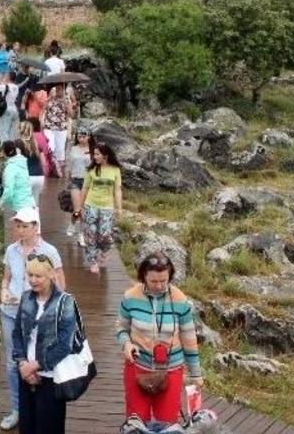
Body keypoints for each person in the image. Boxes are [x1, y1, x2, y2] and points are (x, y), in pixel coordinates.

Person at [117, 252, 202, 425]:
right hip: (138, 367)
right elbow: (121, 328)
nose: (159, 286)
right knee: (136, 422)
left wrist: (196, 374)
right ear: (143, 277)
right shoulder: (130, 297)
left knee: (168, 422)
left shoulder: (180, 300)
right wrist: (126, 344)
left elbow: (189, 339)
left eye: (164, 281)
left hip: (171, 371)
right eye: (154, 281)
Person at [0, 207, 65, 430]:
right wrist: (3, 291)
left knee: (39, 359)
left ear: (36, 227)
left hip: (39, 315)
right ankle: (18, 409)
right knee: (13, 362)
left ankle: (38, 407)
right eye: (17, 225)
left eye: (24, 226)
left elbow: (61, 286)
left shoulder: (50, 251)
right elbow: (6, 279)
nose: (19, 230)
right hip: (11, 312)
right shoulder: (11, 250)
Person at [12, 255, 76, 433]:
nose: (33, 280)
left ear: (51, 275)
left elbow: (65, 344)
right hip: (25, 374)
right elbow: (17, 334)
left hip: (51, 377)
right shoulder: (25, 298)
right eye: (30, 275)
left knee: (49, 428)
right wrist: (23, 363)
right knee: (27, 427)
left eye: (38, 276)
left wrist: (36, 365)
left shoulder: (65, 302)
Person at [80, 142, 123, 274]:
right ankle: (93, 261)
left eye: (97, 154)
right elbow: (85, 188)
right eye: (94, 154)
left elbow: (117, 190)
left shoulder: (115, 170)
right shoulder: (91, 170)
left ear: (105, 155)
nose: (95, 157)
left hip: (107, 207)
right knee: (90, 235)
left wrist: (119, 208)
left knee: (105, 235)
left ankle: (103, 251)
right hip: (90, 205)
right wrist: (80, 207)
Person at [66, 126, 93, 246]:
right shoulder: (73, 149)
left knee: (83, 210)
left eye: (83, 136)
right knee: (78, 210)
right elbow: (69, 165)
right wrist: (68, 179)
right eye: (79, 136)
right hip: (75, 180)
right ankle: (80, 235)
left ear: (89, 137)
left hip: (88, 182)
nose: (81, 139)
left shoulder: (93, 150)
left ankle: (73, 224)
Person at [0, 140, 36, 215]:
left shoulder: (10, 168)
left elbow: (9, 190)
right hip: (30, 203)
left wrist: (0, 203)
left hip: (20, 207)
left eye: (2, 151)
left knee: (21, 226)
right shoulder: (21, 162)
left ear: (7, 153)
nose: (1, 153)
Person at [43, 83, 72, 177]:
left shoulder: (66, 100)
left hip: (61, 127)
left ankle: (59, 169)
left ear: (63, 90)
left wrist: (66, 103)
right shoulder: (49, 99)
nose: (58, 91)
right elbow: (44, 110)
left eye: (60, 89)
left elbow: (71, 114)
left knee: (60, 149)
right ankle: (50, 166)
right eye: (56, 89)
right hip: (49, 126)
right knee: (50, 146)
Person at [18, 125, 46, 216]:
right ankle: (36, 227)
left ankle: (24, 226)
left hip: (27, 177)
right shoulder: (37, 144)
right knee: (35, 203)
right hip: (39, 177)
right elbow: (44, 163)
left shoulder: (19, 144)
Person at [0, 73, 19, 145]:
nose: (5, 76)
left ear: (9, 77)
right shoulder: (16, 87)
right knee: (12, 132)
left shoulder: (3, 86)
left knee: (4, 131)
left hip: (6, 110)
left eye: (6, 75)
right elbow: (7, 87)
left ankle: (4, 150)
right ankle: (12, 149)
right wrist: (0, 82)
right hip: (14, 110)